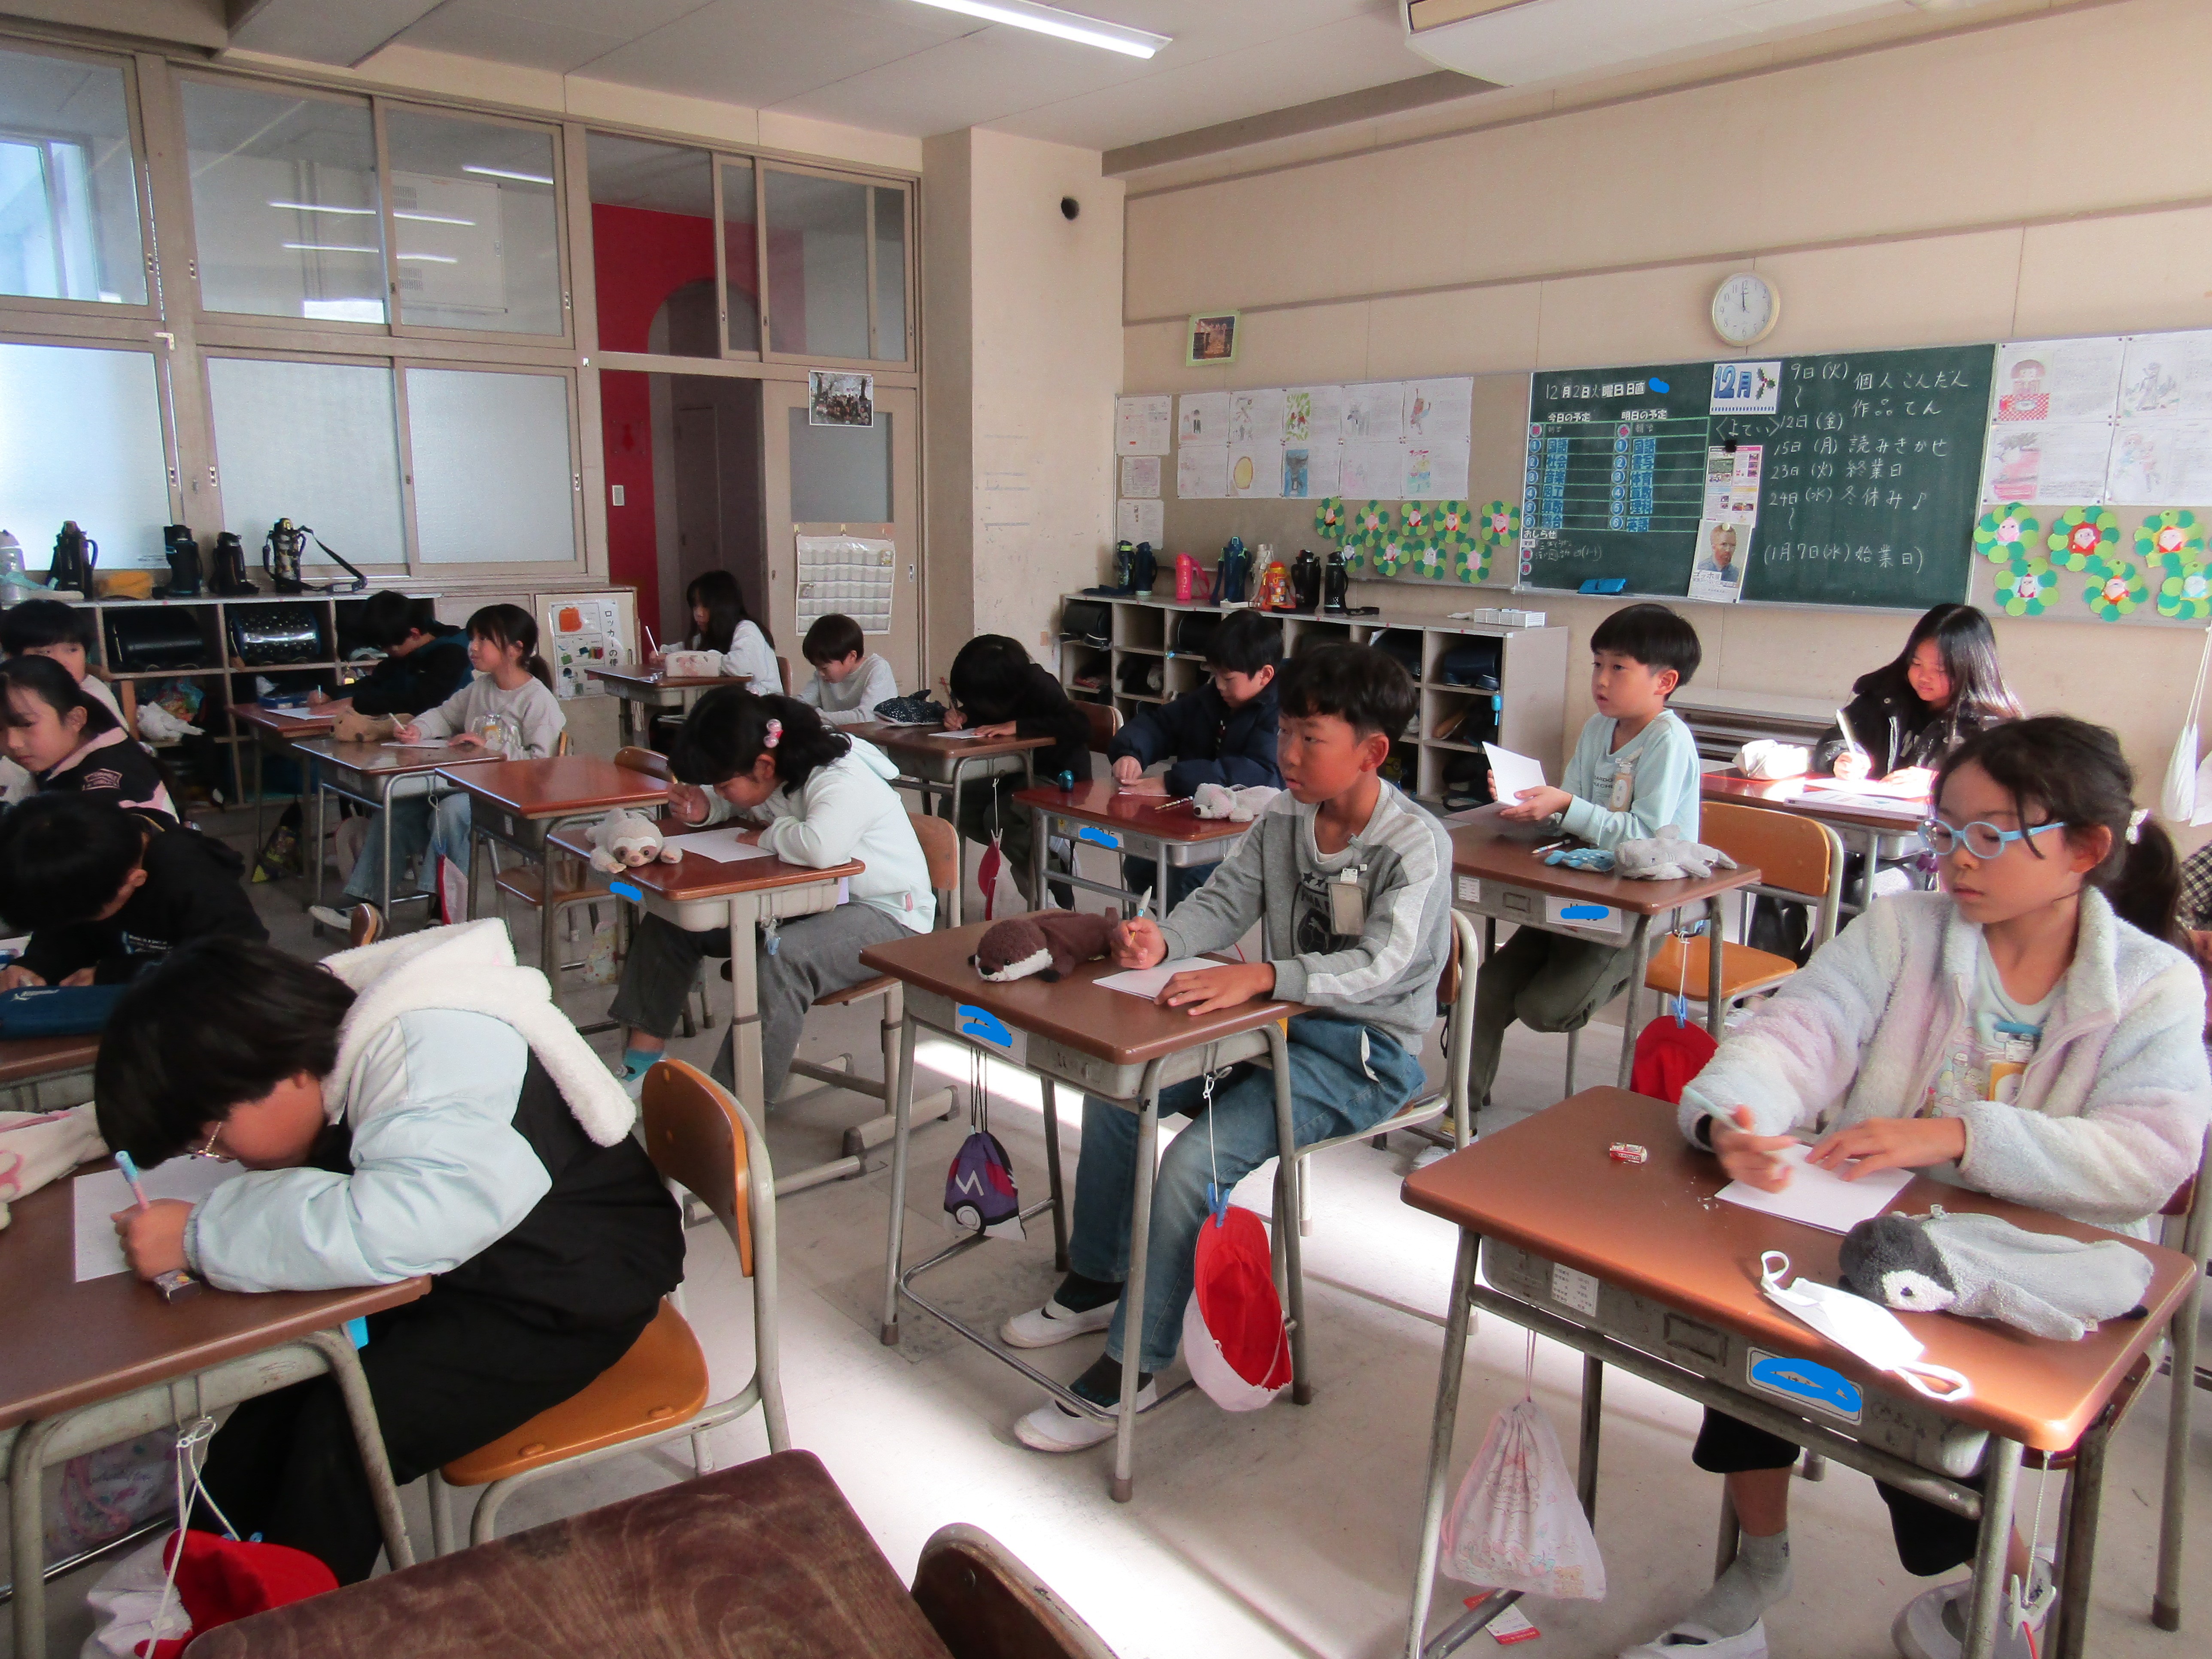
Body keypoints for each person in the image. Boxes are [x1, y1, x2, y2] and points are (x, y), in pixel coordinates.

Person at [1622, 717, 2209, 1659]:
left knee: (1917, 1414)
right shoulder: (1904, 929)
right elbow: (1801, 1029)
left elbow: (2150, 1155)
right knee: (1747, 1337)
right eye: (1945, 831)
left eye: (1990, 834)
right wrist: (1736, 1114)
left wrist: (1956, 1134)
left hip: (2031, 1270)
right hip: (1865, 1233)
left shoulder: (2150, 985)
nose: (1956, 858)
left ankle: (2010, 1582)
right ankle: (1755, 1569)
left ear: (2083, 849)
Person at [96, 925, 684, 1586]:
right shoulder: (341, 1038)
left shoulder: (433, 1060)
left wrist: (200, 1233)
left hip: (572, 1291)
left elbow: (403, 1225)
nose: (222, 1161)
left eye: (215, 1143)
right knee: (298, 1375)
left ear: (282, 1070)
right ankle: (193, 1576)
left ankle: (290, 1621)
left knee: (345, 1428)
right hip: (485, 1265)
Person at [1003, 642, 1450, 1449]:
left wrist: (1265, 977)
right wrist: (1163, 940)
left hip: (1362, 1055)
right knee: (1122, 1091)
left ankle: (1132, 1367)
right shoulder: (1283, 816)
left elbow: (1382, 961)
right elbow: (1223, 900)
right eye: (1285, 732)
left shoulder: (1413, 843)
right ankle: (1098, 1277)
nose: (1287, 754)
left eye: (1310, 738)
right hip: (1274, 1026)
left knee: (1191, 1163)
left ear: (1372, 751)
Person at [605, 688, 933, 1098]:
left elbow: (820, 847)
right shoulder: (770, 764)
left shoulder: (840, 777)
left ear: (763, 765)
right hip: (811, 900)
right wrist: (708, 807)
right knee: (673, 923)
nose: (720, 790)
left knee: (782, 960)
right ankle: (640, 1065)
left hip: (888, 914)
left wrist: (766, 835)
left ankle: (734, 1108)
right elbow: (745, 800)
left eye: (723, 785)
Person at [1465, 602, 1704, 1111]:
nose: (1601, 679)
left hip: (1634, 909)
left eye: (1619, 667)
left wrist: (1566, 806)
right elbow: (1572, 816)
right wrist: (1530, 806)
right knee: (1485, 991)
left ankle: (1599, 975)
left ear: (1664, 682)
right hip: (1578, 892)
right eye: (1597, 664)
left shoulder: (1667, 740)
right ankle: (1457, 1115)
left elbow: (1644, 839)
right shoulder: (1599, 727)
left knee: (1543, 1009)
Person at [309, 605, 563, 931]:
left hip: (508, 801)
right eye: (473, 638)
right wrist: (419, 729)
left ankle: (445, 910)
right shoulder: (480, 688)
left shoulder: (537, 700)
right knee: (396, 811)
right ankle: (367, 906)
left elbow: (545, 765)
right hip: (467, 788)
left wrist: (491, 748)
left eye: (483, 640)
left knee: (452, 811)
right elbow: (444, 714)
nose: (472, 647)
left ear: (515, 649)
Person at [1106, 607, 1282, 908]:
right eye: (1215, 675)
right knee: (1140, 866)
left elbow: (1262, 773)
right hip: (1199, 821)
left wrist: (1172, 781)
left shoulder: (1283, 713)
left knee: (1185, 877)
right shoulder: (1212, 698)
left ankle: (1184, 936)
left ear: (1265, 675)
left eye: (1228, 678)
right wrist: (1131, 754)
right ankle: (1168, 931)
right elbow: (1161, 724)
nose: (1219, 685)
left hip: (1250, 831)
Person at [0, 794, 263, 988]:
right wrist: (35, 965)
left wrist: (116, 974)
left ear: (134, 881)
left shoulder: (192, 875)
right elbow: (65, 927)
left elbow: (238, 959)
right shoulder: (86, 866)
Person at [941, 633, 1091, 904]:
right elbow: (984, 713)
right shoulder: (996, 691)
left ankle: (1051, 875)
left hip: (1058, 774)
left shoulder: (1039, 684)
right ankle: (1039, 856)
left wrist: (1020, 726)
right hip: (1012, 773)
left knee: (1001, 818)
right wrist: (962, 715)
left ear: (998, 688)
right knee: (955, 807)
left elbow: (1079, 725)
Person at [1817, 603, 2023, 786]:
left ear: (1971, 669)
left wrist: (1937, 781)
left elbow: (2004, 786)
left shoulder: (1991, 726)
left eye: (1940, 670)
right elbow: (1835, 740)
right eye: (1916, 664)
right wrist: (1841, 758)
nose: (1924, 677)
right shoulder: (1885, 699)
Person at [0, 655, 177, 823]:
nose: (12, 743)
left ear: (75, 719)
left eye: (27, 724)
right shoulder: (89, 750)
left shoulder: (100, 797)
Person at [311, 591, 472, 720]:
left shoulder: (452, 654)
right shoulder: (406, 651)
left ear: (414, 634)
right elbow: (377, 683)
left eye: (390, 648)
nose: (387, 653)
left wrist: (357, 703)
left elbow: (421, 702)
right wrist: (332, 694)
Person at [0, 597, 123, 720]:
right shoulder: (9, 696)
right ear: (11, 659)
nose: (62, 663)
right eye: (45, 652)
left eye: (72, 650)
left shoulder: (94, 698)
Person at [656, 570, 779, 692]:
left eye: (705, 606)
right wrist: (665, 655)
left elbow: (741, 666)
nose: (698, 613)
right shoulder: (713, 635)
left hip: (764, 703)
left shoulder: (747, 629)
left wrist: (701, 661)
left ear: (725, 607)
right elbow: (686, 648)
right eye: (695, 606)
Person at [796, 612, 899, 726]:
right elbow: (800, 705)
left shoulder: (877, 669)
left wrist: (815, 716)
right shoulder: (823, 676)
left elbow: (867, 718)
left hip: (870, 737)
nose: (820, 673)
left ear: (851, 657)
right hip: (838, 735)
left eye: (824, 668)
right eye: (817, 668)